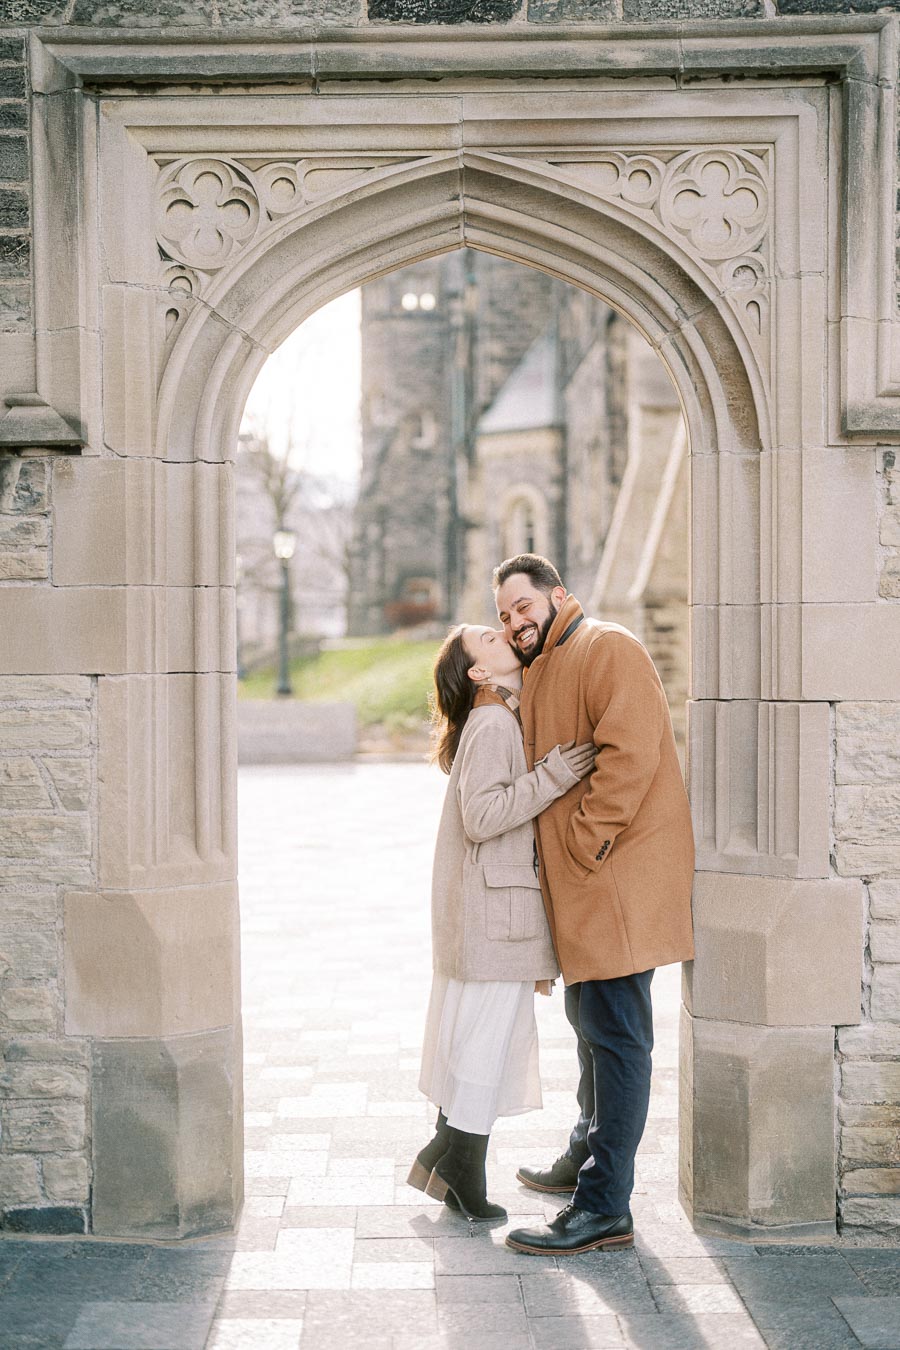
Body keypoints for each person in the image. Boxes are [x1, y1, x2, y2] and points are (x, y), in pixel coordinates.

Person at [492, 554, 695, 1255]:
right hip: (585, 890)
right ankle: (583, 1156)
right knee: (591, 1025)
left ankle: (605, 1204)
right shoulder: (549, 663)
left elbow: (631, 754)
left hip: (612, 885)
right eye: (505, 615)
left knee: (616, 1040)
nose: (516, 621)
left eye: (523, 605)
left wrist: (585, 846)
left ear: (558, 595)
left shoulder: (604, 645)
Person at [409, 622, 595, 1221]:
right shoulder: (491, 723)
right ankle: (457, 1164)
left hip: (493, 909)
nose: (501, 635)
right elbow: (484, 815)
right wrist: (556, 775)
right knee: (486, 1040)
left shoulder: (498, 716)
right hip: (496, 911)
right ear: (478, 674)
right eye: (486, 639)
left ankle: (448, 1157)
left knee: (477, 1036)